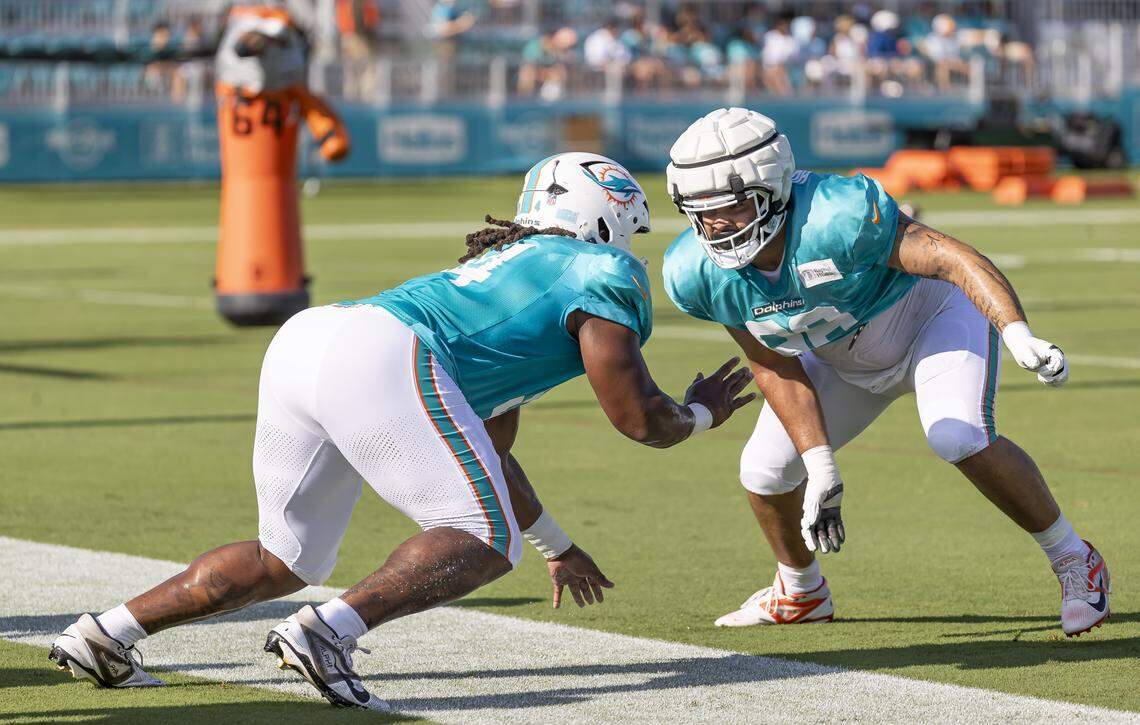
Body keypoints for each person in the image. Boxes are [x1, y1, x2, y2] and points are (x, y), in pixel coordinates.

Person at [49, 153, 755, 710]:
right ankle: (326, 632)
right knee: (481, 536)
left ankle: (105, 633)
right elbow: (638, 418)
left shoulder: (494, 271)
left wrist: (557, 547)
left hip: (310, 340)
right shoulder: (606, 269)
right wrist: (700, 413)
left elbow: (490, 457)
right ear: (613, 218)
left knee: (285, 556)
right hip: (383, 351)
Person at [661, 108, 1110, 636]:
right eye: (700, 211)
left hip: (930, 319)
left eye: (733, 206)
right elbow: (774, 363)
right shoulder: (694, 271)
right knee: (763, 470)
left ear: (774, 187)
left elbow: (951, 258)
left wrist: (1014, 330)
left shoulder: (834, 214)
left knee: (957, 435)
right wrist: (820, 462)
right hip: (839, 359)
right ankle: (801, 590)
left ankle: (1074, 559)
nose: (715, 225)